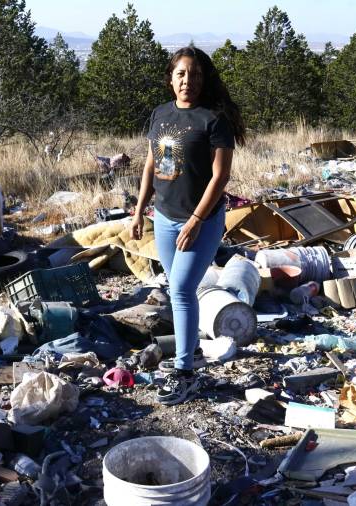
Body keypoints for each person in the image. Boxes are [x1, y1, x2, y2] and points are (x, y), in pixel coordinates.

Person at [130, 46, 246, 405]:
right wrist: (139, 211)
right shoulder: (160, 114)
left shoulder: (213, 120)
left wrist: (196, 220)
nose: (188, 81)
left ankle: (185, 372)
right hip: (164, 218)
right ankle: (190, 354)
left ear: (203, 79)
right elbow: (151, 166)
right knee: (178, 290)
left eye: (195, 74)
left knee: (180, 290)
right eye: (181, 74)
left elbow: (221, 176)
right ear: (170, 78)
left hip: (203, 221)